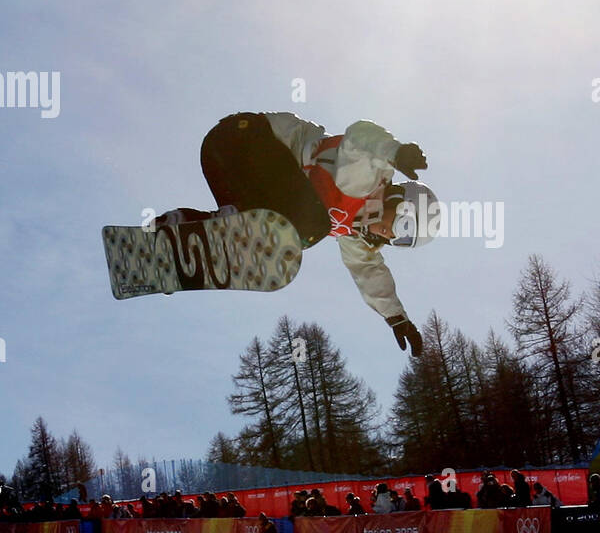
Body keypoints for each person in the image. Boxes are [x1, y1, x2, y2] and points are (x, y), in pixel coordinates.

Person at [153, 113, 440, 355]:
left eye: (402, 240)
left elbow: (369, 271)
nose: (391, 235)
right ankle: (235, 225)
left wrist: (396, 318)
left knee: (269, 250)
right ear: (399, 200)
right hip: (246, 138)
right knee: (307, 230)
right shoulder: (367, 175)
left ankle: (178, 232)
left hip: (227, 164)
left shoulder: (355, 232)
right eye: (403, 225)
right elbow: (360, 134)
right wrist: (395, 151)